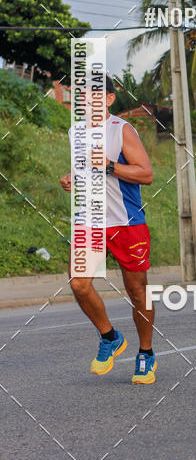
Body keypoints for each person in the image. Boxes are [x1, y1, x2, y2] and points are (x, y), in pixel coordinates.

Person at [60, 75, 157, 383]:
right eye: (83, 96)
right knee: (79, 283)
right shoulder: (75, 131)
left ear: (109, 99)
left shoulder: (121, 130)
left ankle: (146, 352)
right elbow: (84, 170)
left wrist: (110, 165)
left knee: (137, 290)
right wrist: (71, 178)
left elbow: (146, 174)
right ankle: (110, 336)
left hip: (126, 221)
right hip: (89, 220)